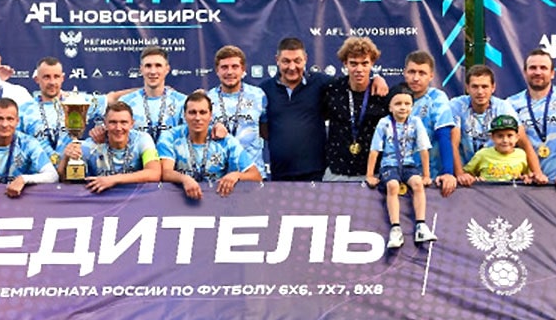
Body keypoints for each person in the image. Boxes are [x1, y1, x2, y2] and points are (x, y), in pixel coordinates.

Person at [260, 37, 387, 181]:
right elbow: (261, 128)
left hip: (316, 172)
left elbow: (354, 82)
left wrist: (377, 79)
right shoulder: (264, 90)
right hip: (279, 172)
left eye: (297, 61)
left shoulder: (322, 83)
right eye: (286, 61)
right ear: (277, 60)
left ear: (305, 59)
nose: (292, 67)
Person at [450, 64, 546, 186]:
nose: (480, 92)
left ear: (493, 87)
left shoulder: (503, 107)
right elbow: (452, 143)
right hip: (466, 175)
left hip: (496, 176)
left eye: (485, 86)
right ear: (467, 88)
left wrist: (538, 174)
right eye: (475, 86)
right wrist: (460, 174)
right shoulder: (456, 105)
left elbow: (524, 142)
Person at [366, 84, 436, 249]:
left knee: (417, 184)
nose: (403, 107)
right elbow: (375, 150)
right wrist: (369, 174)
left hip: (408, 164)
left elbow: (424, 149)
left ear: (412, 106)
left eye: (407, 104)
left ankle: (421, 225)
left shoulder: (416, 122)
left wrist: (426, 175)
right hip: (389, 164)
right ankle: (396, 229)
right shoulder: (384, 123)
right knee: (393, 185)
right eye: (398, 104)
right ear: (390, 107)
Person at [158, 90, 261, 199]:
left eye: (203, 112)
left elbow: (255, 175)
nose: (197, 118)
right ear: (184, 115)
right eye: (192, 112)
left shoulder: (225, 141)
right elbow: (166, 172)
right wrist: (184, 179)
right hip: (178, 201)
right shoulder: (170, 137)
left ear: (210, 115)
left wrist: (237, 175)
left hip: (218, 200)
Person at [17, 56, 110, 164]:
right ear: (37, 79)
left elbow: (112, 99)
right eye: (46, 77)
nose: (52, 82)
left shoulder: (78, 102)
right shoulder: (24, 111)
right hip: (39, 170)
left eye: (56, 76)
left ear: (63, 78)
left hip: (72, 168)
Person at [322, 37, 389, 181]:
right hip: (336, 173)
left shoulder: (381, 94)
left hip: (373, 174)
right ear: (345, 63)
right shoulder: (332, 89)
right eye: (353, 63)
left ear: (372, 63)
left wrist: (379, 78)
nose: (359, 69)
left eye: (365, 63)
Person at [58, 101, 161, 192]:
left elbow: (154, 173)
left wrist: (113, 179)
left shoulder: (143, 139)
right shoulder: (90, 146)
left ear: (132, 124)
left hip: (135, 200)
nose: (118, 128)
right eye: (113, 122)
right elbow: (66, 180)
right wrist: (66, 158)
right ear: (105, 124)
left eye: (124, 122)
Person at [506, 48, 556, 187]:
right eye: (533, 68)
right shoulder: (511, 104)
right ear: (525, 72)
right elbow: (506, 144)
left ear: (552, 73)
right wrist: (524, 172)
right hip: (528, 183)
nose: (538, 72)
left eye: (543, 68)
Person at [206, 45, 268, 177]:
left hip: (253, 175)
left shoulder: (258, 95)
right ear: (217, 70)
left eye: (235, 67)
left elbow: (265, 130)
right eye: (224, 67)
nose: (229, 72)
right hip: (219, 177)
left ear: (243, 69)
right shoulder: (207, 99)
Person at [403, 50, 457, 196]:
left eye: (422, 73)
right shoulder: (396, 95)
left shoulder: (437, 98)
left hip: (431, 178)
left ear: (431, 76)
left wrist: (448, 173)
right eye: (412, 72)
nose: (416, 78)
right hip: (401, 176)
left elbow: (444, 135)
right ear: (404, 73)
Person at [119, 46, 187, 144]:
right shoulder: (126, 102)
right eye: (148, 66)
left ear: (167, 69)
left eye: (158, 66)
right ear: (141, 69)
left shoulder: (182, 102)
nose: (153, 71)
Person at [463, 115, 532, 183]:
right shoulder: (482, 154)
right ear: (492, 137)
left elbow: (528, 175)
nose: (505, 140)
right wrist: (473, 179)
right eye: (500, 136)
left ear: (517, 137)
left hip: (513, 190)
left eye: (509, 135)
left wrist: (526, 178)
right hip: (487, 190)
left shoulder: (521, 155)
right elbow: (465, 174)